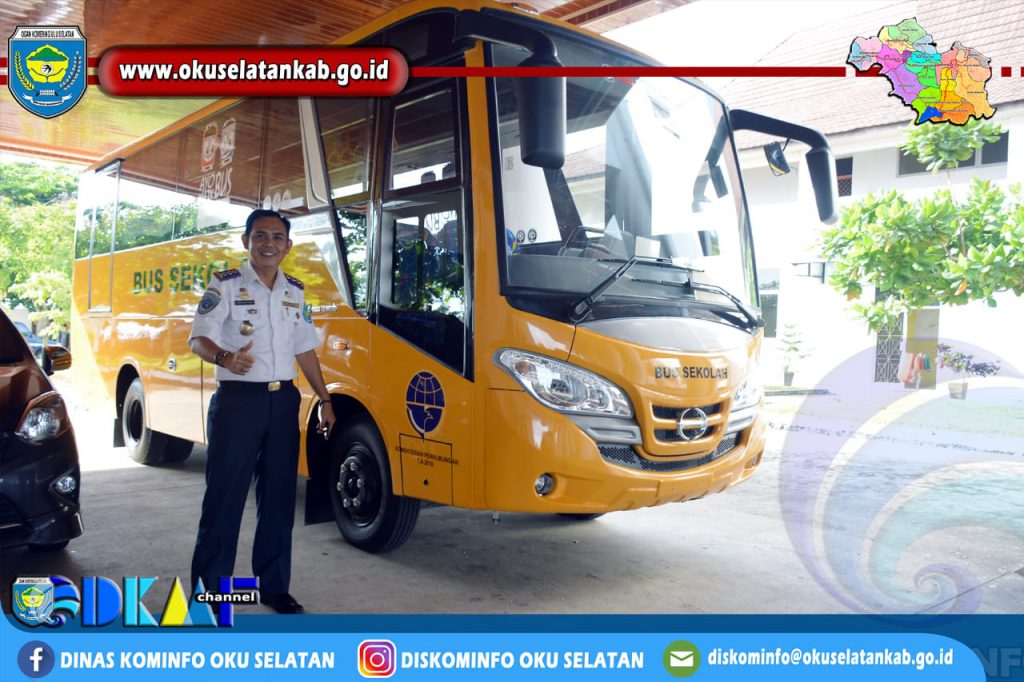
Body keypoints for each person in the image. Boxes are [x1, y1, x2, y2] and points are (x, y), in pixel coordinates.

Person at [187, 208, 335, 615]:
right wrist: (224, 357)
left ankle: (273, 587)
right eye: (260, 236)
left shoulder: (295, 291)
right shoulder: (225, 285)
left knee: (279, 498)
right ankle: (212, 594)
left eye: (277, 237)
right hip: (238, 404)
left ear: (287, 245)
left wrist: (325, 399)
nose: (269, 243)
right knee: (225, 499)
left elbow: (305, 349)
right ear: (246, 241)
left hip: (283, 403)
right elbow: (198, 339)